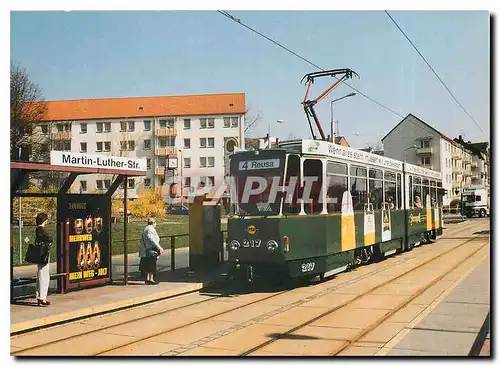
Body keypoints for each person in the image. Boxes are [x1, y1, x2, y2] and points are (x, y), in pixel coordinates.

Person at [139, 217, 163, 285]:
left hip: (148, 250)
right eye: (155, 222)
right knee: (151, 265)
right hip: (150, 250)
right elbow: (152, 240)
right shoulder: (150, 229)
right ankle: (150, 279)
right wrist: (159, 247)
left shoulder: (147, 229)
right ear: (153, 223)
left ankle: (148, 279)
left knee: (149, 265)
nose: (156, 224)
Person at [35, 213, 52, 306]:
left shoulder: (38, 229)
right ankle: (42, 298)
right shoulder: (41, 229)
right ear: (44, 220)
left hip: (40, 254)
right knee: (44, 275)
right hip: (43, 255)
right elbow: (50, 238)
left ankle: (40, 296)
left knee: (41, 274)